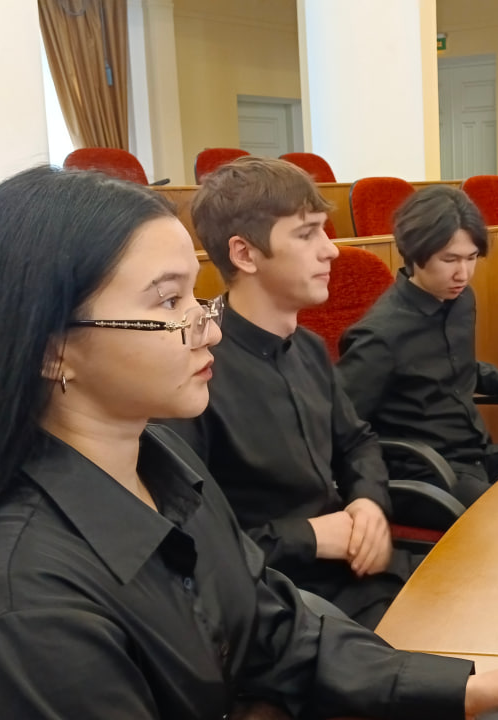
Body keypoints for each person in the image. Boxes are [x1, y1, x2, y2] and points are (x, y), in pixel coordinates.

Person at [0, 166, 498, 719]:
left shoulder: (162, 461)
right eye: (168, 303)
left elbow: (274, 628)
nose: (207, 327)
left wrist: (459, 684)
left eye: (194, 297)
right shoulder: (26, 603)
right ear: (53, 349)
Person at [162, 157, 410, 630]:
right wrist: (309, 537)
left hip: (359, 578)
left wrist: (368, 501)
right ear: (245, 254)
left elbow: (356, 442)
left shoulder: (310, 347)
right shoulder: (195, 374)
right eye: (307, 234)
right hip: (282, 607)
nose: (331, 250)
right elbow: (196, 544)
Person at [337, 186, 498, 507]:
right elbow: (343, 425)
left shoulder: (462, 300)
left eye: (471, 258)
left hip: (475, 454)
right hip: (424, 472)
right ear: (415, 254)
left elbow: (454, 364)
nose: (462, 274)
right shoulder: (378, 335)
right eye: (449, 259)